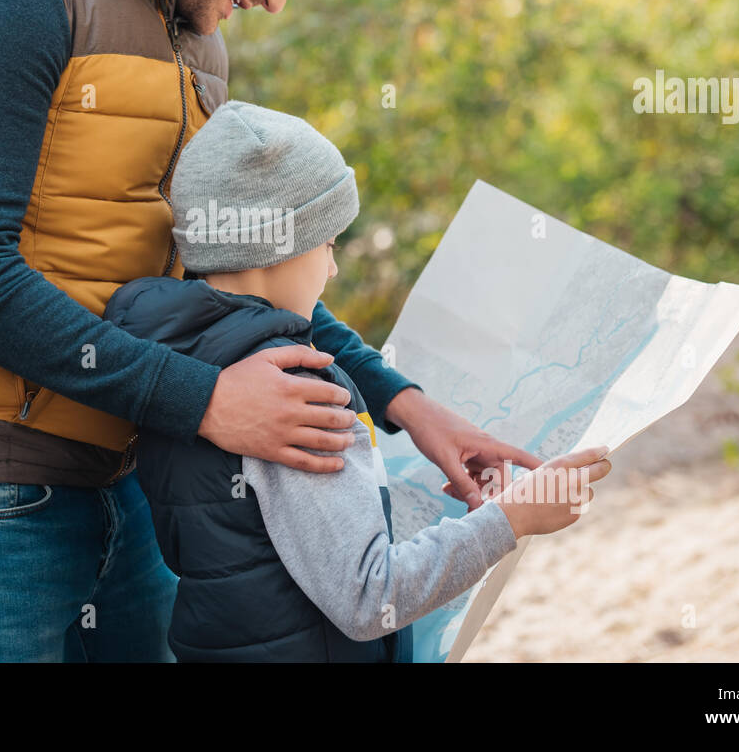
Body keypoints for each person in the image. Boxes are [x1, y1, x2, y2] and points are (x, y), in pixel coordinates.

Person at [0, 0, 540, 662]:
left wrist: (401, 402)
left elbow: (228, 273)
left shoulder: (192, 35)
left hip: (133, 455)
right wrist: (212, 402)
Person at [103, 99, 613, 661]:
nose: (334, 267)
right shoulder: (293, 390)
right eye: (328, 244)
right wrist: (511, 519)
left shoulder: (176, 356)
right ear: (276, 250)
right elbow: (369, 596)